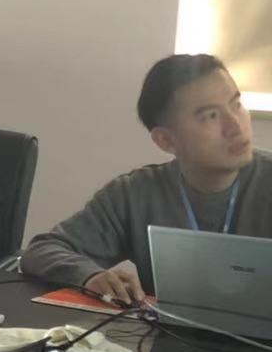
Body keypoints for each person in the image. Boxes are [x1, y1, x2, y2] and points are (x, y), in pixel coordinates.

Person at [22, 53, 270, 304]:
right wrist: (89, 277)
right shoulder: (136, 194)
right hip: (171, 328)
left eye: (236, 104)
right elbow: (42, 250)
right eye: (211, 116)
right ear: (166, 140)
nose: (235, 125)